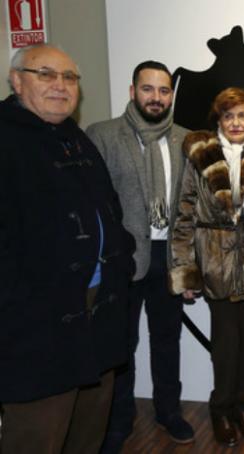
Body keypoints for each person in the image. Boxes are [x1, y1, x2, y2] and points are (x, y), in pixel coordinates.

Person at [0, 44, 135, 454]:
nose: (60, 86)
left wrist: (122, 258)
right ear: (16, 80)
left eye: (70, 77)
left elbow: (108, 210)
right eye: (46, 74)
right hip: (34, 326)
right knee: (39, 434)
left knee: (87, 431)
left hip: (97, 315)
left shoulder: (76, 139)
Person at [86, 61, 193, 451]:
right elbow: (94, 203)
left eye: (164, 91)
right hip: (123, 259)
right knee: (121, 345)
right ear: (133, 92)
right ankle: (120, 417)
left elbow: (191, 205)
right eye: (148, 89)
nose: (156, 98)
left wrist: (188, 264)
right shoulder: (102, 135)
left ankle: (169, 412)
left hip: (169, 257)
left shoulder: (185, 139)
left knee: (168, 341)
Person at [168, 87, 244, 447]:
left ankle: (243, 407)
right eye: (229, 116)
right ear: (219, 121)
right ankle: (220, 409)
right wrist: (186, 271)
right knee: (225, 346)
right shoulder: (200, 154)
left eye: (243, 115)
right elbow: (183, 213)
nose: (236, 122)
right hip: (215, 262)